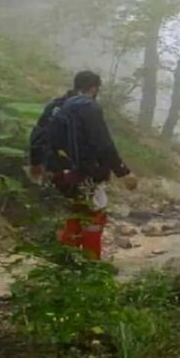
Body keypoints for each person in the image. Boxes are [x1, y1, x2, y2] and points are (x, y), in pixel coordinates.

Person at [29, 70, 138, 260]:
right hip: (86, 172)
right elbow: (103, 143)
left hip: (59, 172)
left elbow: (38, 135)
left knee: (75, 212)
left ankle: (67, 261)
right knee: (95, 215)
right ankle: (91, 265)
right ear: (94, 88)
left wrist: (36, 163)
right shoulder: (89, 107)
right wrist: (123, 172)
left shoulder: (56, 106)